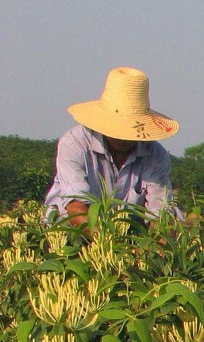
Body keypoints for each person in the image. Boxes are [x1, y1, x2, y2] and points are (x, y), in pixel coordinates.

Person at [45, 67, 181, 227]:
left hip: (126, 236)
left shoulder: (155, 156)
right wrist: (106, 243)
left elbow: (161, 216)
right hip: (68, 234)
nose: (124, 137)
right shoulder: (75, 143)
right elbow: (76, 208)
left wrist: (157, 247)